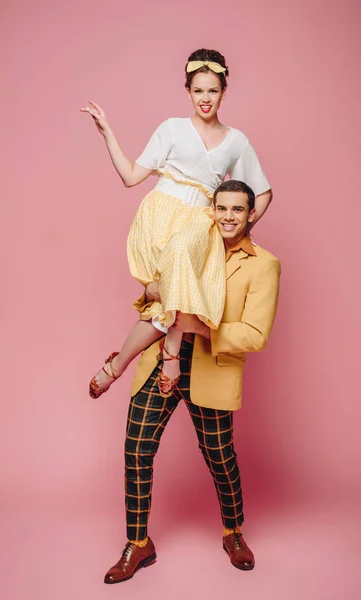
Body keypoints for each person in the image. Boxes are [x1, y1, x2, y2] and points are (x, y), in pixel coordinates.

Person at [103, 179, 281, 584]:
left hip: (212, 367)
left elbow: (255, 333)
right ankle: (137, 543)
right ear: (211, 209)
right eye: (222, 208)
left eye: (238, 210)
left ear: (252, 214)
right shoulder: (190, 243)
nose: (228, 217)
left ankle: (233, 533)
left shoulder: (264, 264)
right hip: (159, 361)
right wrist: (152, 288)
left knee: (220, 457)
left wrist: (201, 327)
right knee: (136, 448)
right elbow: (153, 302)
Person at [81, 48, 273, 398]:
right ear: (188, 92)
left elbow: (260, 192)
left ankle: (119, 365)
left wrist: (239, 224)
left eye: (212, 90)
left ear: (223, 92)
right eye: (198, 90)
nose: (205, 98)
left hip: (200, 222)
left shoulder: (237, 141)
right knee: (174, 291)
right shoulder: (171, 129)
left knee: (173, 286)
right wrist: (107, 132)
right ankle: (162, 357)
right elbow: (130, 177)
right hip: (160, 216)